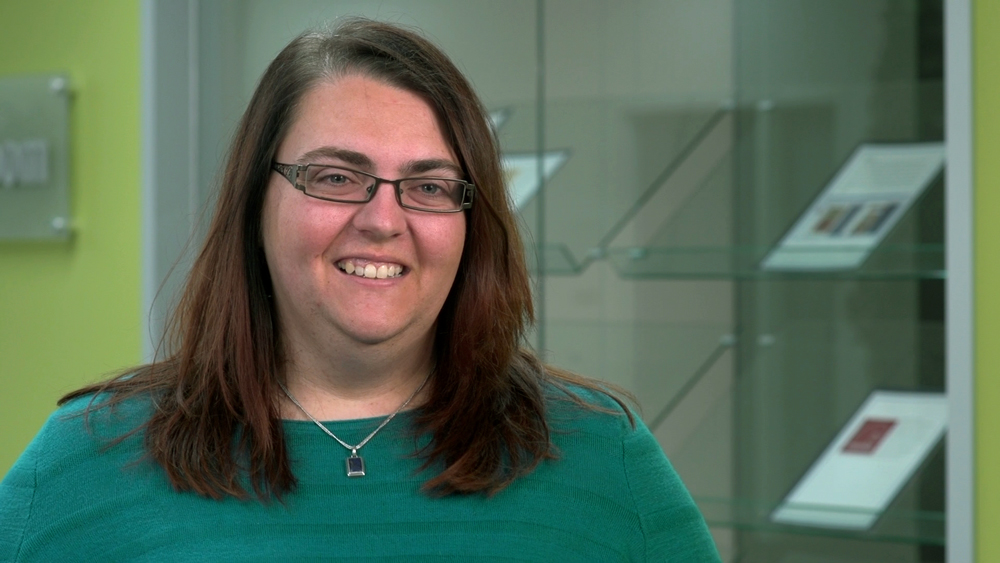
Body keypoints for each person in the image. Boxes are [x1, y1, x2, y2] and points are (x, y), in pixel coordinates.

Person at [0, 18, 721, 562]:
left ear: (474, 224)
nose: (383, 220)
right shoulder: (83, 467)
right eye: (336, 177)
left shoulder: (604, 460)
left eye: (429, 185)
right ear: (257, 202)